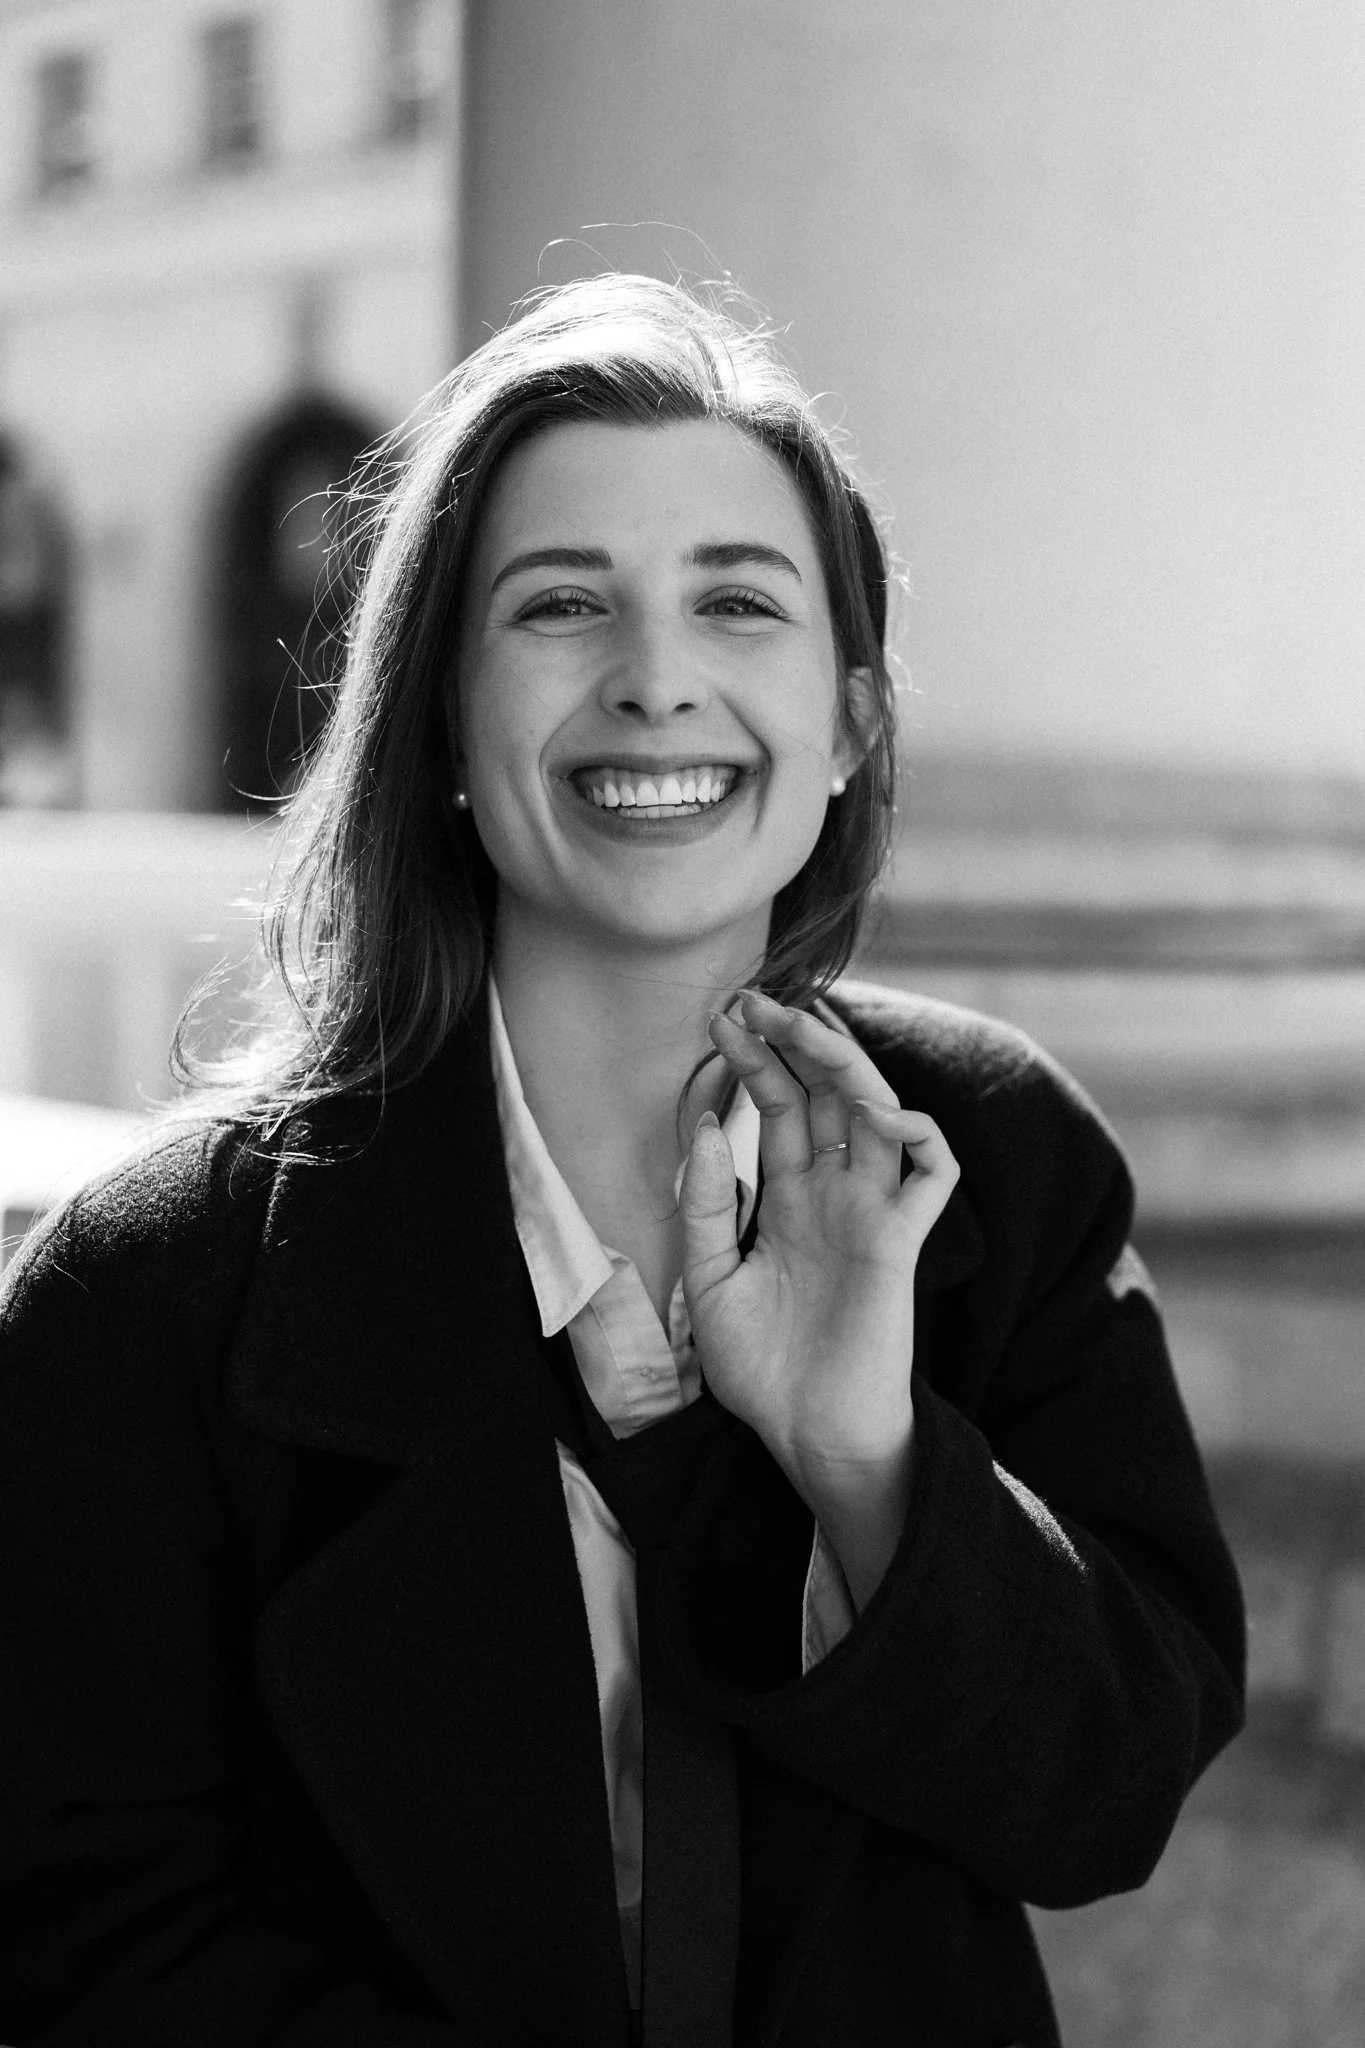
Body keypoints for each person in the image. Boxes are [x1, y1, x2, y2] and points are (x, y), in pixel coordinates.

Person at [0, 275, 1245, 2048]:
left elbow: (1105, 1802)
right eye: (562, 604)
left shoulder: (998, 1159)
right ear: (440, 718)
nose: (657, 682)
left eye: (738, 602)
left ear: (852, 725)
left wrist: (867, 1459)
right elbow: (89, 1946)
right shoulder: (147, 1298)